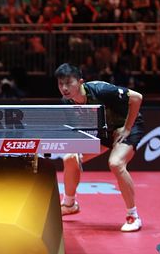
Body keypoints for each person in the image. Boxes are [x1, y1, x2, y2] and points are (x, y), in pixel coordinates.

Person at [55, 63, 145, 232]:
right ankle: (69, 204)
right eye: (60, 84)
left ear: (80, 81)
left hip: (126, 127)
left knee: (116, 163)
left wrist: (126, 128)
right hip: (103, 131)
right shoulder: (67, 102)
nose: (64, 88)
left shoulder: (101, 90)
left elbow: (137, 98)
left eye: (68, 83)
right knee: (70, 158)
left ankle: (133, 216)